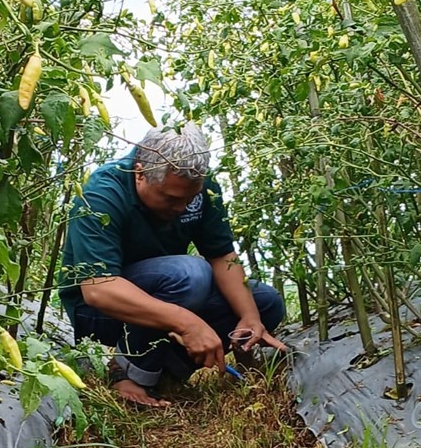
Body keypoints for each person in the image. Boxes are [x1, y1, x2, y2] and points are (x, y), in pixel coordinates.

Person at [58, 123, 286, 407]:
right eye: (172, 198)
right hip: (99, 313)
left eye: (190, 198)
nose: (182, 207)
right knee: (189, 275)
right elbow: (98, 290)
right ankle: (127, 372)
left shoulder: (200, 188)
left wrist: (250, 318)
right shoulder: (101, 193)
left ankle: (165, 373)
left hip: (169, 293)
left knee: (265, 302)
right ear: (140, 173)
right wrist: (188, 323)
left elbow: (222, 256)